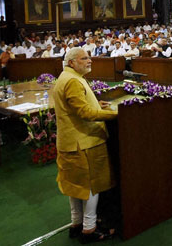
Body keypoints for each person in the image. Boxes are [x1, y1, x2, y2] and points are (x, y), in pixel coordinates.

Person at [51, 47, 117, 242]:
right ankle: (89, 229)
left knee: (76, 186)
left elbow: (78, 106)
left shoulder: (67, 76)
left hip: (70, 142)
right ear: (72, 62)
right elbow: (84, 113)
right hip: (83, 143)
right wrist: (115, 113)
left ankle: (77, 223)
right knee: (90, 186)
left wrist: (97, 105)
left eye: (89, 57)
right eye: (84, 58)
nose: (90, 61)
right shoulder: (73, 80)